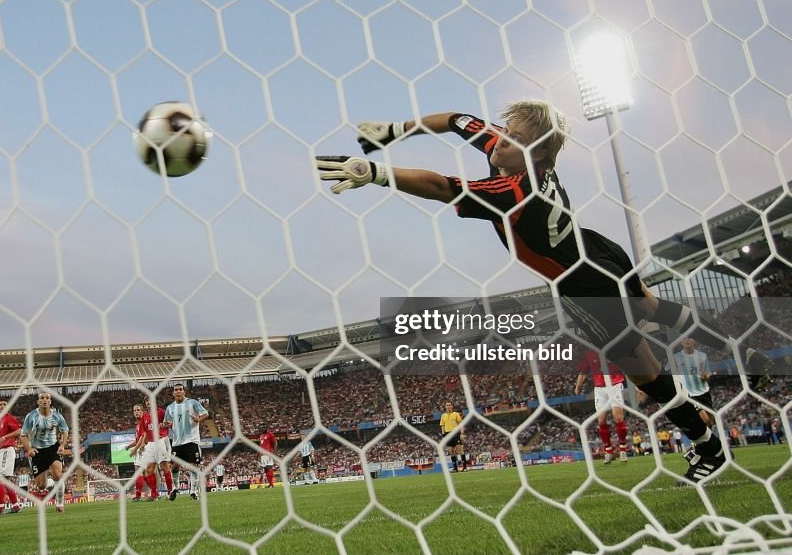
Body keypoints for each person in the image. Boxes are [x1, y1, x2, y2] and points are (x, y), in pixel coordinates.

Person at [316, 104, 763, 483]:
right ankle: (732, 348)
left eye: (512, 140)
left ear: (538, 157)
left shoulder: (515, 189)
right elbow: (457, 119)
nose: (499, 143)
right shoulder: (511, 155)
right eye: (505, 135)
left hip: (582, 280)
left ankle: (707, 445)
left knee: (642, 369)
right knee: (649, 303)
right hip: (595, 247)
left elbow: (440, 186)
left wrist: (375, 172)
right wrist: (396, 130)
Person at [574, 349, 629, 463]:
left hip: (615, 385)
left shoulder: (613, 350)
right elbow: (582, 372)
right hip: (599, 389)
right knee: (601, 420)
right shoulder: (590, 354)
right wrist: (578, 386)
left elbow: (627, 366)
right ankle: (608, 452)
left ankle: (623, 450)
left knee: (618, 417)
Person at [21, 392, 70, 512]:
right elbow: (23, 435)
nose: (44, 400)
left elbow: (65, 431)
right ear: (38, 401)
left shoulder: (57, 416)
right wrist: (29, 449)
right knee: (41, 485)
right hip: (37, 451)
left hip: (53, 448)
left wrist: (63, 445)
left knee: (58, 474)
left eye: (47, 398)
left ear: (50, 401)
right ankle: (53, 483)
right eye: (42, 398)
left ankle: (59, 504)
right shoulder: (31, 416)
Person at [162, 383, 208, 501]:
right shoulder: (170, 408)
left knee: (194, 466)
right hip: (177, 442)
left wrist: (199, 419)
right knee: (175, 467)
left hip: (192, 440)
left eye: (180, 389)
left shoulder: (192, 403)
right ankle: (176, 488)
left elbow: (205, 414)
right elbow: (166, 422)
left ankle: (193, 491)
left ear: (184, 392)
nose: (178, 391)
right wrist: (164, 424)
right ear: (173, 393)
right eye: (176, 390)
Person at [673, 337, 714, 428]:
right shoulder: (676, 358)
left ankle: (705, 439)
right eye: (684, 339)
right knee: (705, 420)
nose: (687, 340)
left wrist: (704, 376)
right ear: (681, 342)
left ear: (694, 341)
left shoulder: (702, 356)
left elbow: (708, 375)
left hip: (704, 393)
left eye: (689, 338)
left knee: (710, 422)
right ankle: (699, 439)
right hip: (690, 395)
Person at [0, 399, 23, 514]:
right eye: (0, 404)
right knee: (5, 481)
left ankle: (1, 507)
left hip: (7, 449)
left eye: (4, 404)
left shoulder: (8, 418)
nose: (2, 406)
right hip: (1, 451)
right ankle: (15, 506)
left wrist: (5, 438)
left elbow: (19, 431)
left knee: (0, 479)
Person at [439, 402, 466, 472]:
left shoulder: (456, 414)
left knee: (460, 450)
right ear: (445, 407)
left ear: (452, 406)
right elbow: (442, 426)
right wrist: (443, 435)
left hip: (456, 433)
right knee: (451, 452)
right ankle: (455, 468)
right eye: (447, 405)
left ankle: (465, 467)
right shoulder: (443, 416)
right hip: (447, 434)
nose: (448, 406)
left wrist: (462, 433)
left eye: (449, 405)